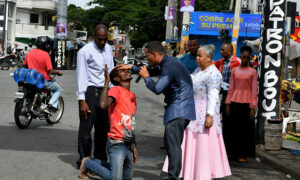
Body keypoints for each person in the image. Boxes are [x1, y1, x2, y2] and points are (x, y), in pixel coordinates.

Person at [118, 41, 196, 180]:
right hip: (181, 109)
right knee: (170, 143)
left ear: (155, 54)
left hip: (179, 109)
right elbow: (153, 70)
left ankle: (173, 177)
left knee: (173, 145)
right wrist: (132, 68)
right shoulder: (167, 62)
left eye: (148, 56)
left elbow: (157, 89)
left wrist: (146, 78)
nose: (147, 59)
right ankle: (173, 175)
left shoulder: (169, 66)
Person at [163, 45, 231, 179]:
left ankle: (202, 174)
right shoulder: (198, 70)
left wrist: (210, 115)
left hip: (204, 113)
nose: (197, 58)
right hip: (192, 112)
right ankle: (189, 172)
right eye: (197, 56)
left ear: (209, 58)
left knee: (202, 145)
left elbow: (213, 96)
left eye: (200, 56)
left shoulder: (214, 74)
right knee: (190, 142)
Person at [79, 65, 137, 180]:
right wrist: (106, 82)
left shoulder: (132, 96)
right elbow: (103, 105)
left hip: (128, 144)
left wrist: (134, 146)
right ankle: (87, 163)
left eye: (127, 70)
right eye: (122, 70)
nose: (127, 71)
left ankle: (92, 161)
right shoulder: (116, 90)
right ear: (116, 79)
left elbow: (132, 122)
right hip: (117, 144)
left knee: (126, 178)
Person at [76, 24, 114, 168]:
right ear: (93, 36)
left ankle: (99, 161)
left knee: (103, 129)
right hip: (90, 92)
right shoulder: (84, 52)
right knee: (86, 130)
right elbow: (81, 76)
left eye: (105, 40)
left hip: (105, 91)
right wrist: (82, 100)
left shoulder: (108, 49)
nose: (103, 43)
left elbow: (110, 72)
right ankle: (84, 161)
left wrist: (113, 93)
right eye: (100, 40)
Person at [225, 45, 257, 163]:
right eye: (243, 57)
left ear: (250, 59)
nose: (245, 59)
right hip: (234, 102)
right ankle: (233, 153)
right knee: (233, 129)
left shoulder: (253, 72)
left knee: (245, 130)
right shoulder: (234, 70)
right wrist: (227, 104)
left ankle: (243, 154)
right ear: (240, 57)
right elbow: (231, 88)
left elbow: (254, 90)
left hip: (247, 104)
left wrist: (253, 107)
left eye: (248, 58)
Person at [213, 43, 240, 156]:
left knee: (229, 120)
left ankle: (229, 147)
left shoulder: (237, 62)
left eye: (223, 50)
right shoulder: (221, 62)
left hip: (233, 95)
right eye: (221, 49)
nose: (221, 51)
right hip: (222, 93)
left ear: (230, 51)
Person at [24, 36, 63, 114]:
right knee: (58, 89)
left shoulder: (30, 53)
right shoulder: (46, 55)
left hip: (31, 79)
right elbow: (50, 71)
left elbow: (25, 66)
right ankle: (50, 105)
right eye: (48, 45)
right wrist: (57, 72)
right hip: (42, 80)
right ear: (45, 45)